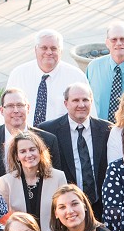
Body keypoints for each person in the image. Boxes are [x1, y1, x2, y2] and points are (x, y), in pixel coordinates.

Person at [38, 84, 113, 221]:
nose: (81, 104)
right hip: (68, 209)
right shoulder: (48, 131)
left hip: (100, 206)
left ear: (91, 101)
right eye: (76, 100)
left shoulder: (107, 129)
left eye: (85, 100)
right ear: (66, 103)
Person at [4, 28, 89, 128]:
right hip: (25, 138)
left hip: (60, 139)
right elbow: (5, 112)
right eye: (44, 48)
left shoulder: (76, 77)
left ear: (60, 51)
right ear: (36, 50)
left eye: (54, 48)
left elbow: (88, 115)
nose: (49, 52)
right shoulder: (18, 74)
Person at [0, 130, 62, 231]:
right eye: (23, 151)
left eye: (32, 149)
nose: (29, 154)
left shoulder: (58, 177)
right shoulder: (6, 182)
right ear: (17, 156)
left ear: (40, 151)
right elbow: (2, 220)